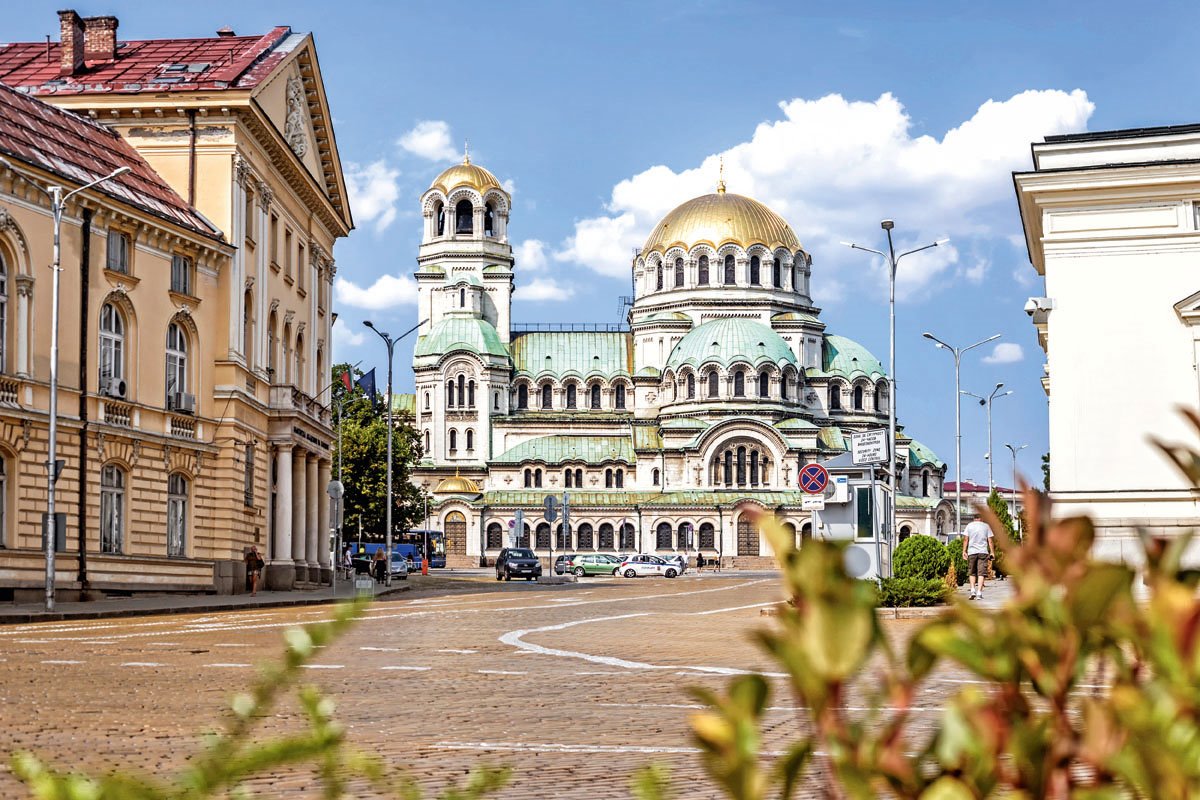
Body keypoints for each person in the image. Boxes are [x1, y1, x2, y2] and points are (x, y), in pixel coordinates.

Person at [962, 519, 995, 600]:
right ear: (981, 518)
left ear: (974, 519)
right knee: (981, 573)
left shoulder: (969, 525)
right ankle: (979, 593)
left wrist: (964, 551)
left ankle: (973, 590)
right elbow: (990, 541)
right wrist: (992, 552)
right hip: (983, 552)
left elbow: (966, 539)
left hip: (972, 552)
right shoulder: (986, 526)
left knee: (972, 572)